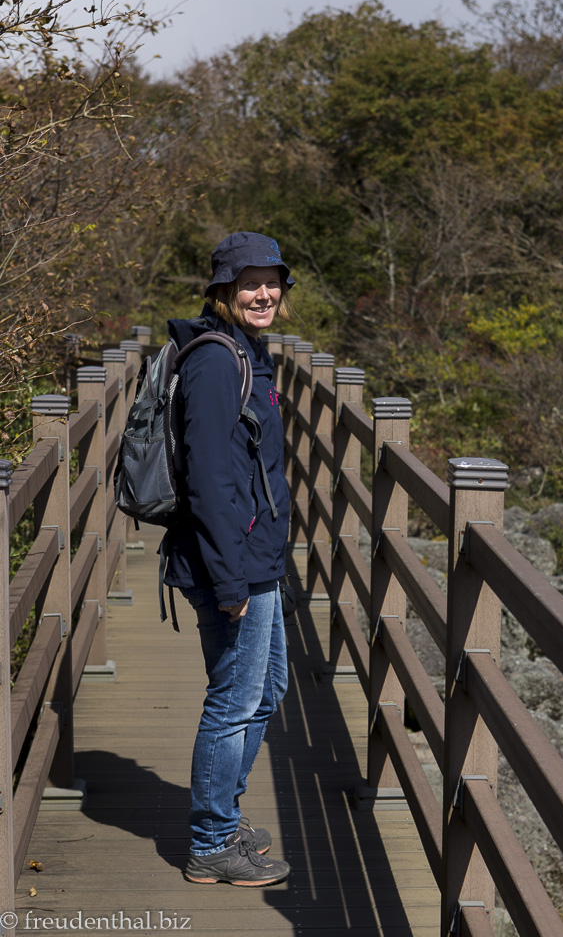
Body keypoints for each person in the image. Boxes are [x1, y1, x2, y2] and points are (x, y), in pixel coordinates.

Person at [163, 231, 295, 886]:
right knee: (234, 700)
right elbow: (211, 480)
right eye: (249, 282)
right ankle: (212, 843)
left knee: (266, 689)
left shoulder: (251, 351)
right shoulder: (217, 363)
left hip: (254, 554)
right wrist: (230, 579)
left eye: (271, 280)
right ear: (221, 290)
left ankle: (223, 817)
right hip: (231, 561)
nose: (263, 292)